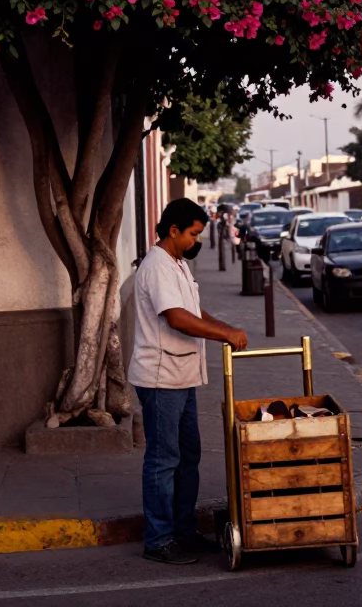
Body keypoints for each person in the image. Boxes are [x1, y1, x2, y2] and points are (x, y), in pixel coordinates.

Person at [128, 198, 249, 565]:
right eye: (194, 235)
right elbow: (178, 319)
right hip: (161, 378)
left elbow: (194, 311)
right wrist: (222, 336)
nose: (197, 241)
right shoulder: (157, 267)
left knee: (187, 456)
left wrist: (225, 328)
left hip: (181, 376)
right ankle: (159, 539)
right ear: (174, 230)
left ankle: (183, 530)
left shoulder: (177, 264)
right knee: (164, 459)